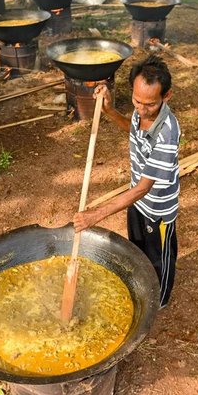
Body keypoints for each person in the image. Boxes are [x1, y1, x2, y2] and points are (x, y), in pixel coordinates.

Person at [73, 55, 180, 309]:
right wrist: (109, 109)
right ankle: (142, 287)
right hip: (137, 202)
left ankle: (159, 301)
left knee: (159, 260)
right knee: (137, 250)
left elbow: (145, 187)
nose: (142, 109)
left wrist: (94, 215)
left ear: (167, 96)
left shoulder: (167, 131)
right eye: (137, 101)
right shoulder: (140, 111)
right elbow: (131, 129)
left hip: (157, 210)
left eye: (150, 105)